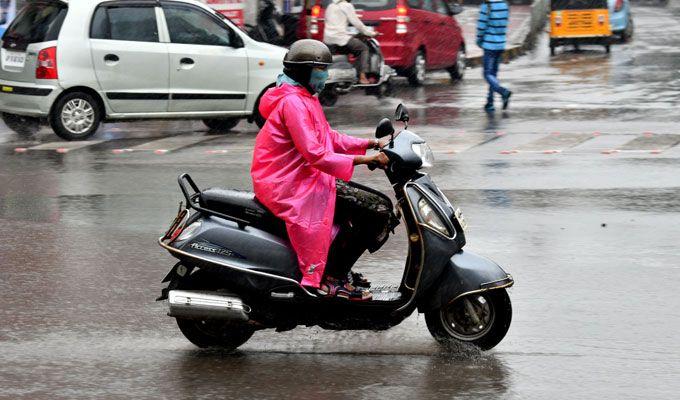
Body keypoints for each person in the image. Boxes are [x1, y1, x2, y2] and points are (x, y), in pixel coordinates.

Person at [251, 39, 391, 301]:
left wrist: (370, 144)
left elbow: (328, 137)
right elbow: (315, 153)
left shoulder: (303, 98)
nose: (326, 75)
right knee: (374, 213)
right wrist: (367, 159)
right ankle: (333, 279)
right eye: (321, 69)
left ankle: (338, 269)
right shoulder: (293, 103)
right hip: (287, 183)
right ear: (305, 72)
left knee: (376, 207)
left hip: (301, 176)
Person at [323, 0, 376, 84]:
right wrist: (370, 33)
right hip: (340, 38)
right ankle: (362, 77)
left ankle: (349, 73)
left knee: (350, 46)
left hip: (328, 40)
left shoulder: (330, 6)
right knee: (363, 48)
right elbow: (357, 23)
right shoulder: (346, 6)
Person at [477, 0, 512, 112]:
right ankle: (490, 102)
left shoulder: (487, 5)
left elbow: (481, 27)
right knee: (493, 76)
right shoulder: (504, 4)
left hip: (489, 44)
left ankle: (503, 92)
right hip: (500, 44)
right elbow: (504, 24)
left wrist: (479, 41)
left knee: (487, 73)